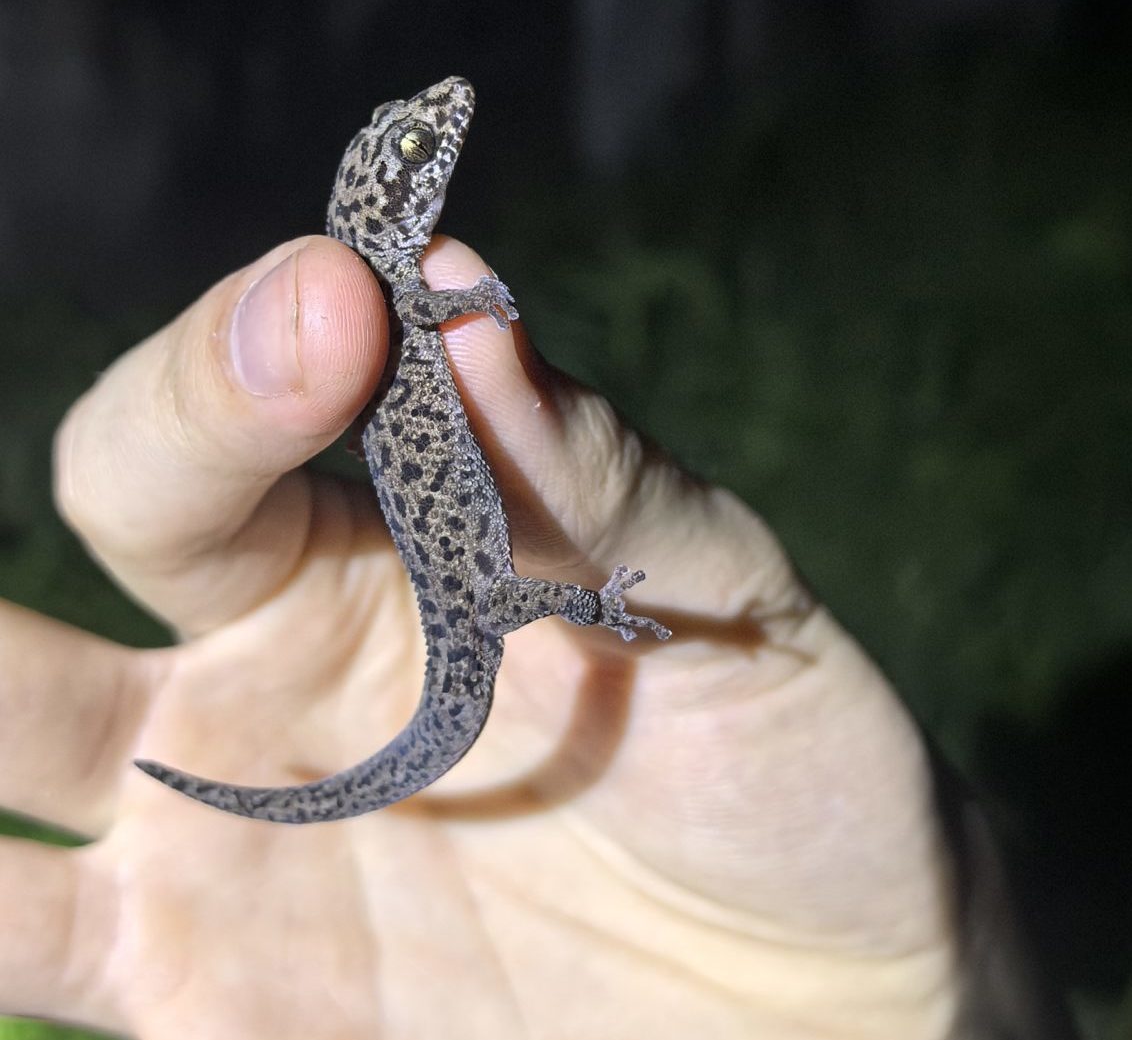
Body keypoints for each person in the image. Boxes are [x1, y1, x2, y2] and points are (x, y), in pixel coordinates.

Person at [0, 235, 1070, 1038]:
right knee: (497, 606)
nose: (442, 124)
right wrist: (601, 605)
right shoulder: (397, 298)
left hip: (465, 583)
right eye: (413, 145)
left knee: (494, 607)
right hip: (468, 584)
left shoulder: (399, 301)